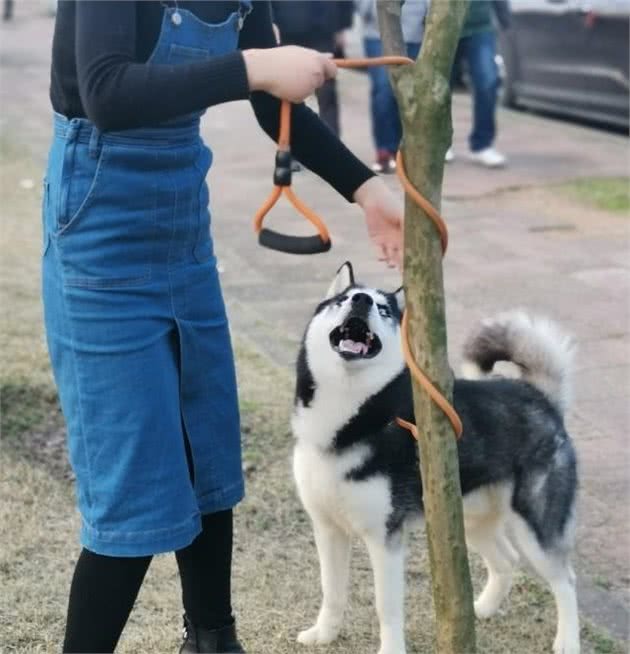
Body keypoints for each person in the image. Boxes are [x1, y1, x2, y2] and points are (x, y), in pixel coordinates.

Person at [43, 2, 403, 653]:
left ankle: (213, 639)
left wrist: (366, 189)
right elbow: (107, 91)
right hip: (98, 219)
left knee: (207, 448)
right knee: (134, 477)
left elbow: (272, 104)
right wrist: (258, 64)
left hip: (181, 219)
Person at [356, 0, 428, 173]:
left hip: (415, 29)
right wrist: (366, 9)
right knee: (383, 90)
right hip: (378, 30)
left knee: (411, 94)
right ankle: (385, 150)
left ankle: (405, 150)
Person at [271, 1, 353, 138]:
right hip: (287, 25)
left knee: (326, 92)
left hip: (321, 25)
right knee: (288, 92)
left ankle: (330, 146)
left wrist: (342, 25)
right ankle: (291, 146)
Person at [446, 0, 511, 167]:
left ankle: (482, 145)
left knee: (488, 82)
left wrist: (505, 19)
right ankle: (441, 143)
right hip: (444, 27)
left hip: (480, 26)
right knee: (441, 88)